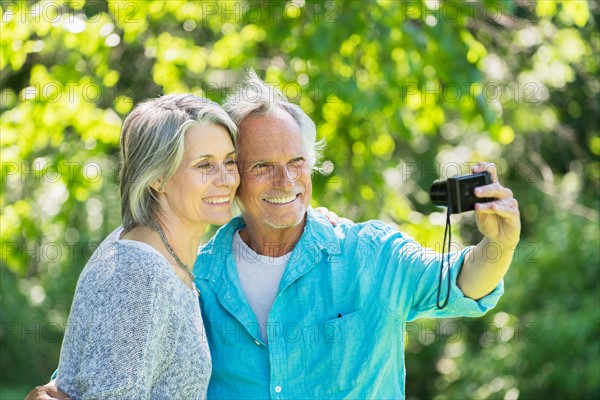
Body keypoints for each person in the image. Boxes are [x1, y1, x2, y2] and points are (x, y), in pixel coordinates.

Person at [193, 71, 520, 399]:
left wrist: (499, 244)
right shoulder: (196, 277)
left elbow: (460, 282)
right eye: (262, 166)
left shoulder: (371, 254)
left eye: (297, 162)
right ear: (233, 175)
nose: (285, 180)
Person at [26, 94, 240, 399]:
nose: (227, 179)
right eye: (204, 165)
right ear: (157, 178)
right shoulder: (140, 273)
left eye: (230, 161)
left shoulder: (160, 257)